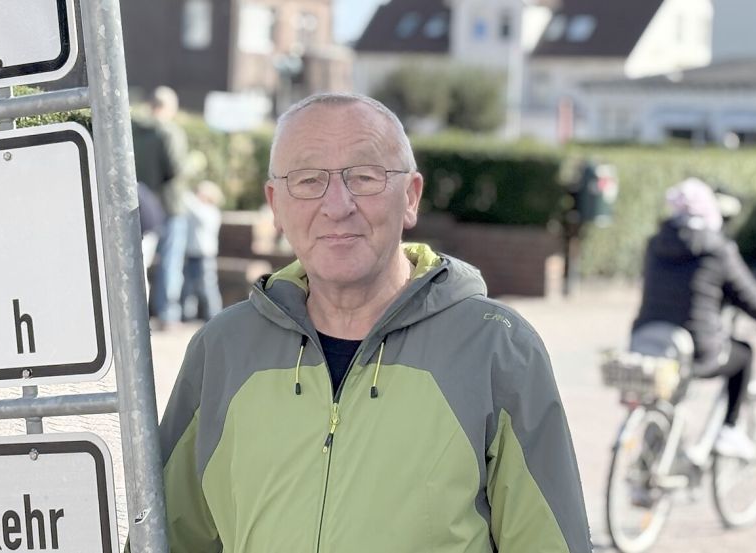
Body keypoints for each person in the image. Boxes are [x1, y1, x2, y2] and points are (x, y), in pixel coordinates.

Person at [155, 93, 591, 552]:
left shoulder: (497, 348)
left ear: (411, 197)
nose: (337, 205)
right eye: (307, 180)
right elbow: (169, 540)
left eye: (364, 177)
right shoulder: (223, 348)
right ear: (276, 205)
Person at [633, 178, 756, 459]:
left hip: (645, 339)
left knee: (664, 396)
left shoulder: (655, 243)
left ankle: (650, 461)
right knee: (744, 354)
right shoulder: (717, 248)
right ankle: (729, 430)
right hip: (696, 347)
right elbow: (749, 297)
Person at [132, 85, 189, 329]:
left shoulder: (133, 131)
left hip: (143, 204)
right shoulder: (169, 132)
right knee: (171, 261)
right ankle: (167, 314)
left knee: (139, 261)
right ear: (168, 107)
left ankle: (140, 313)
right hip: (170, 204)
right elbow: (176, 167)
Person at [180, 180, 224, 321]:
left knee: (208, 287)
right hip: (192, 255)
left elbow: (193, 207)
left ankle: (214, 314)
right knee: (188, 288)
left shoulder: (210, 212)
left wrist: (182, 190)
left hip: (205, 256)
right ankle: (188, 315)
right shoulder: (198, 211)